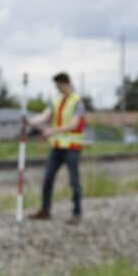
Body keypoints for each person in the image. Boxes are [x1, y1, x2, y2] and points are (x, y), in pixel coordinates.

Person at [27, 72, 86, 225]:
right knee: (48, 178)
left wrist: (52, 131)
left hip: (72, 147)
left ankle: (77, 213)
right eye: (57, 86)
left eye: (60, 86)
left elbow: (73, 124)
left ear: (67, 84)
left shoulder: (77, 102)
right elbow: (45, 115)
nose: (58, 89)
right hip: (57, 147)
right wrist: (30, 121)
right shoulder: (56, 100)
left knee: (74, 181)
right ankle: (45, 210)